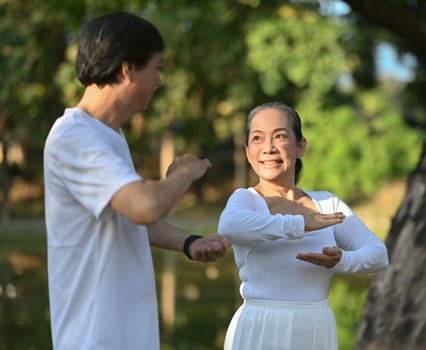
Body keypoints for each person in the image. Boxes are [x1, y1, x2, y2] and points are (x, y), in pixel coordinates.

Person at [43, 11, 229, 350]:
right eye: (156, 67)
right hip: (94, 340)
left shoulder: (109, 136)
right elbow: (144, 206)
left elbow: (133, 220)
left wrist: (189, 243)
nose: (158, 80)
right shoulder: (74, 137)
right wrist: (186, 172)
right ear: (128, 68)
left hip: (128, 338)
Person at [218, 102, 389, 350]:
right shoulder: (247, 200)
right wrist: (300, 223)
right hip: (261, 327)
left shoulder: (327, 202)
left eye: (280, 136)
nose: (268, 147)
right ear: (247, 152)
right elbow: (229, 227)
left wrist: (341, 261)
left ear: (300, 146)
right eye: (257, 138)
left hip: (315, 327)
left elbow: (378, 254)